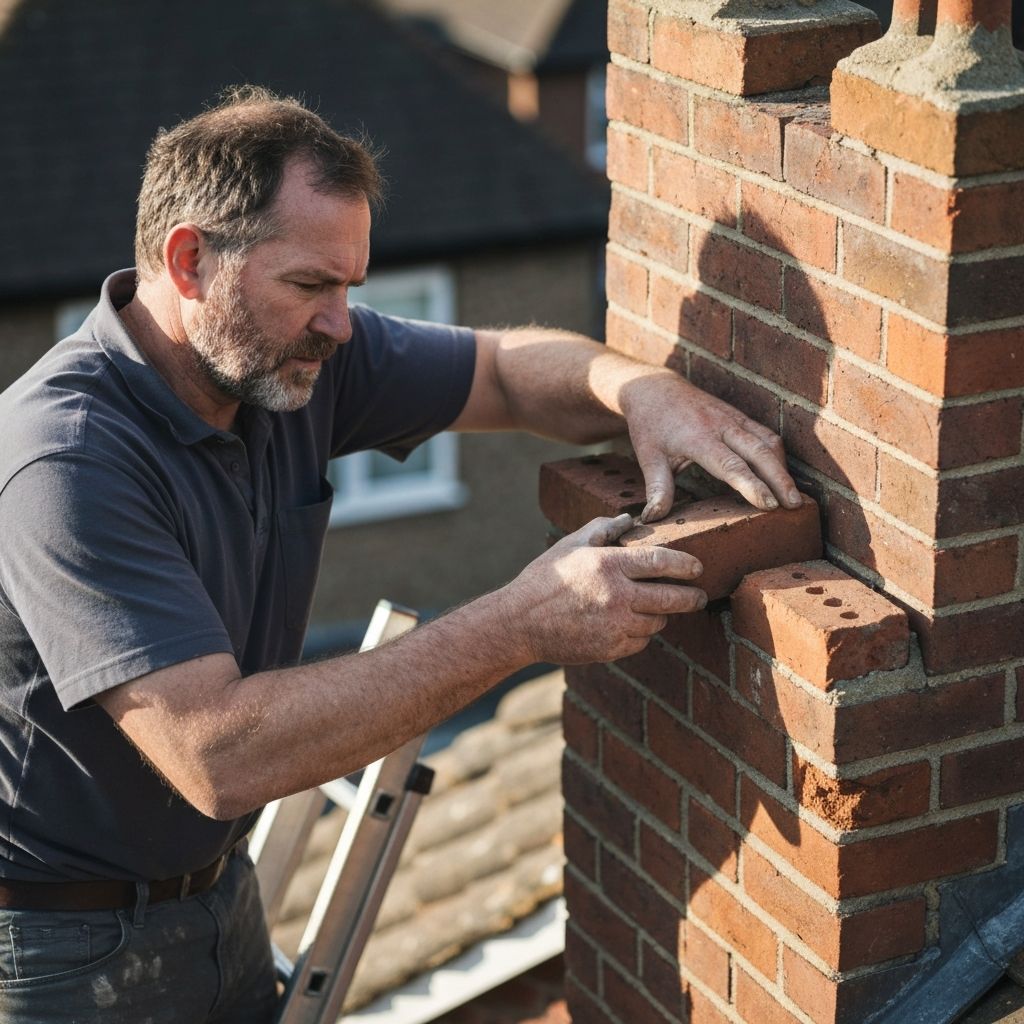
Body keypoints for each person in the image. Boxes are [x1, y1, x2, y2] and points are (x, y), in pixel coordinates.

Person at [0, 85, 800, 1022]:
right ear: (189, 261)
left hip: (219, 893)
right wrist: (519, 623)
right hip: (60, 949)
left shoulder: (280, 363)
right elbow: (218, 756)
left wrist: (636, 390)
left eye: (351, 288)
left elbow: (502, 370)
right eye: (310, 286)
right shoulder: (68, 459)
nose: (340, 323)